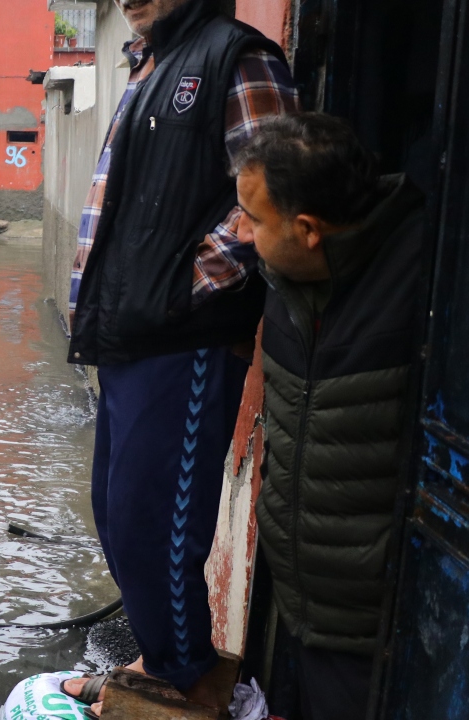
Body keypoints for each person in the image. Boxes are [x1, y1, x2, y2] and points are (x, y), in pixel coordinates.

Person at [62, 0, 296, 713]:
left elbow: (273, 190)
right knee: (115, 508)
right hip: (129, 331)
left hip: (183, 337)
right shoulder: (147, 65)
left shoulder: (236, 56)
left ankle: (180, 673)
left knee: (152, 517)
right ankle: (158, 656)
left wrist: (180, 287)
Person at [232, 113, 427, 720]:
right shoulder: (283, 275)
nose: (240, 232)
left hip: (381, 626)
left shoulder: (424, 279)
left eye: (255, 219)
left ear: (309, 229)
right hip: (305, 607)